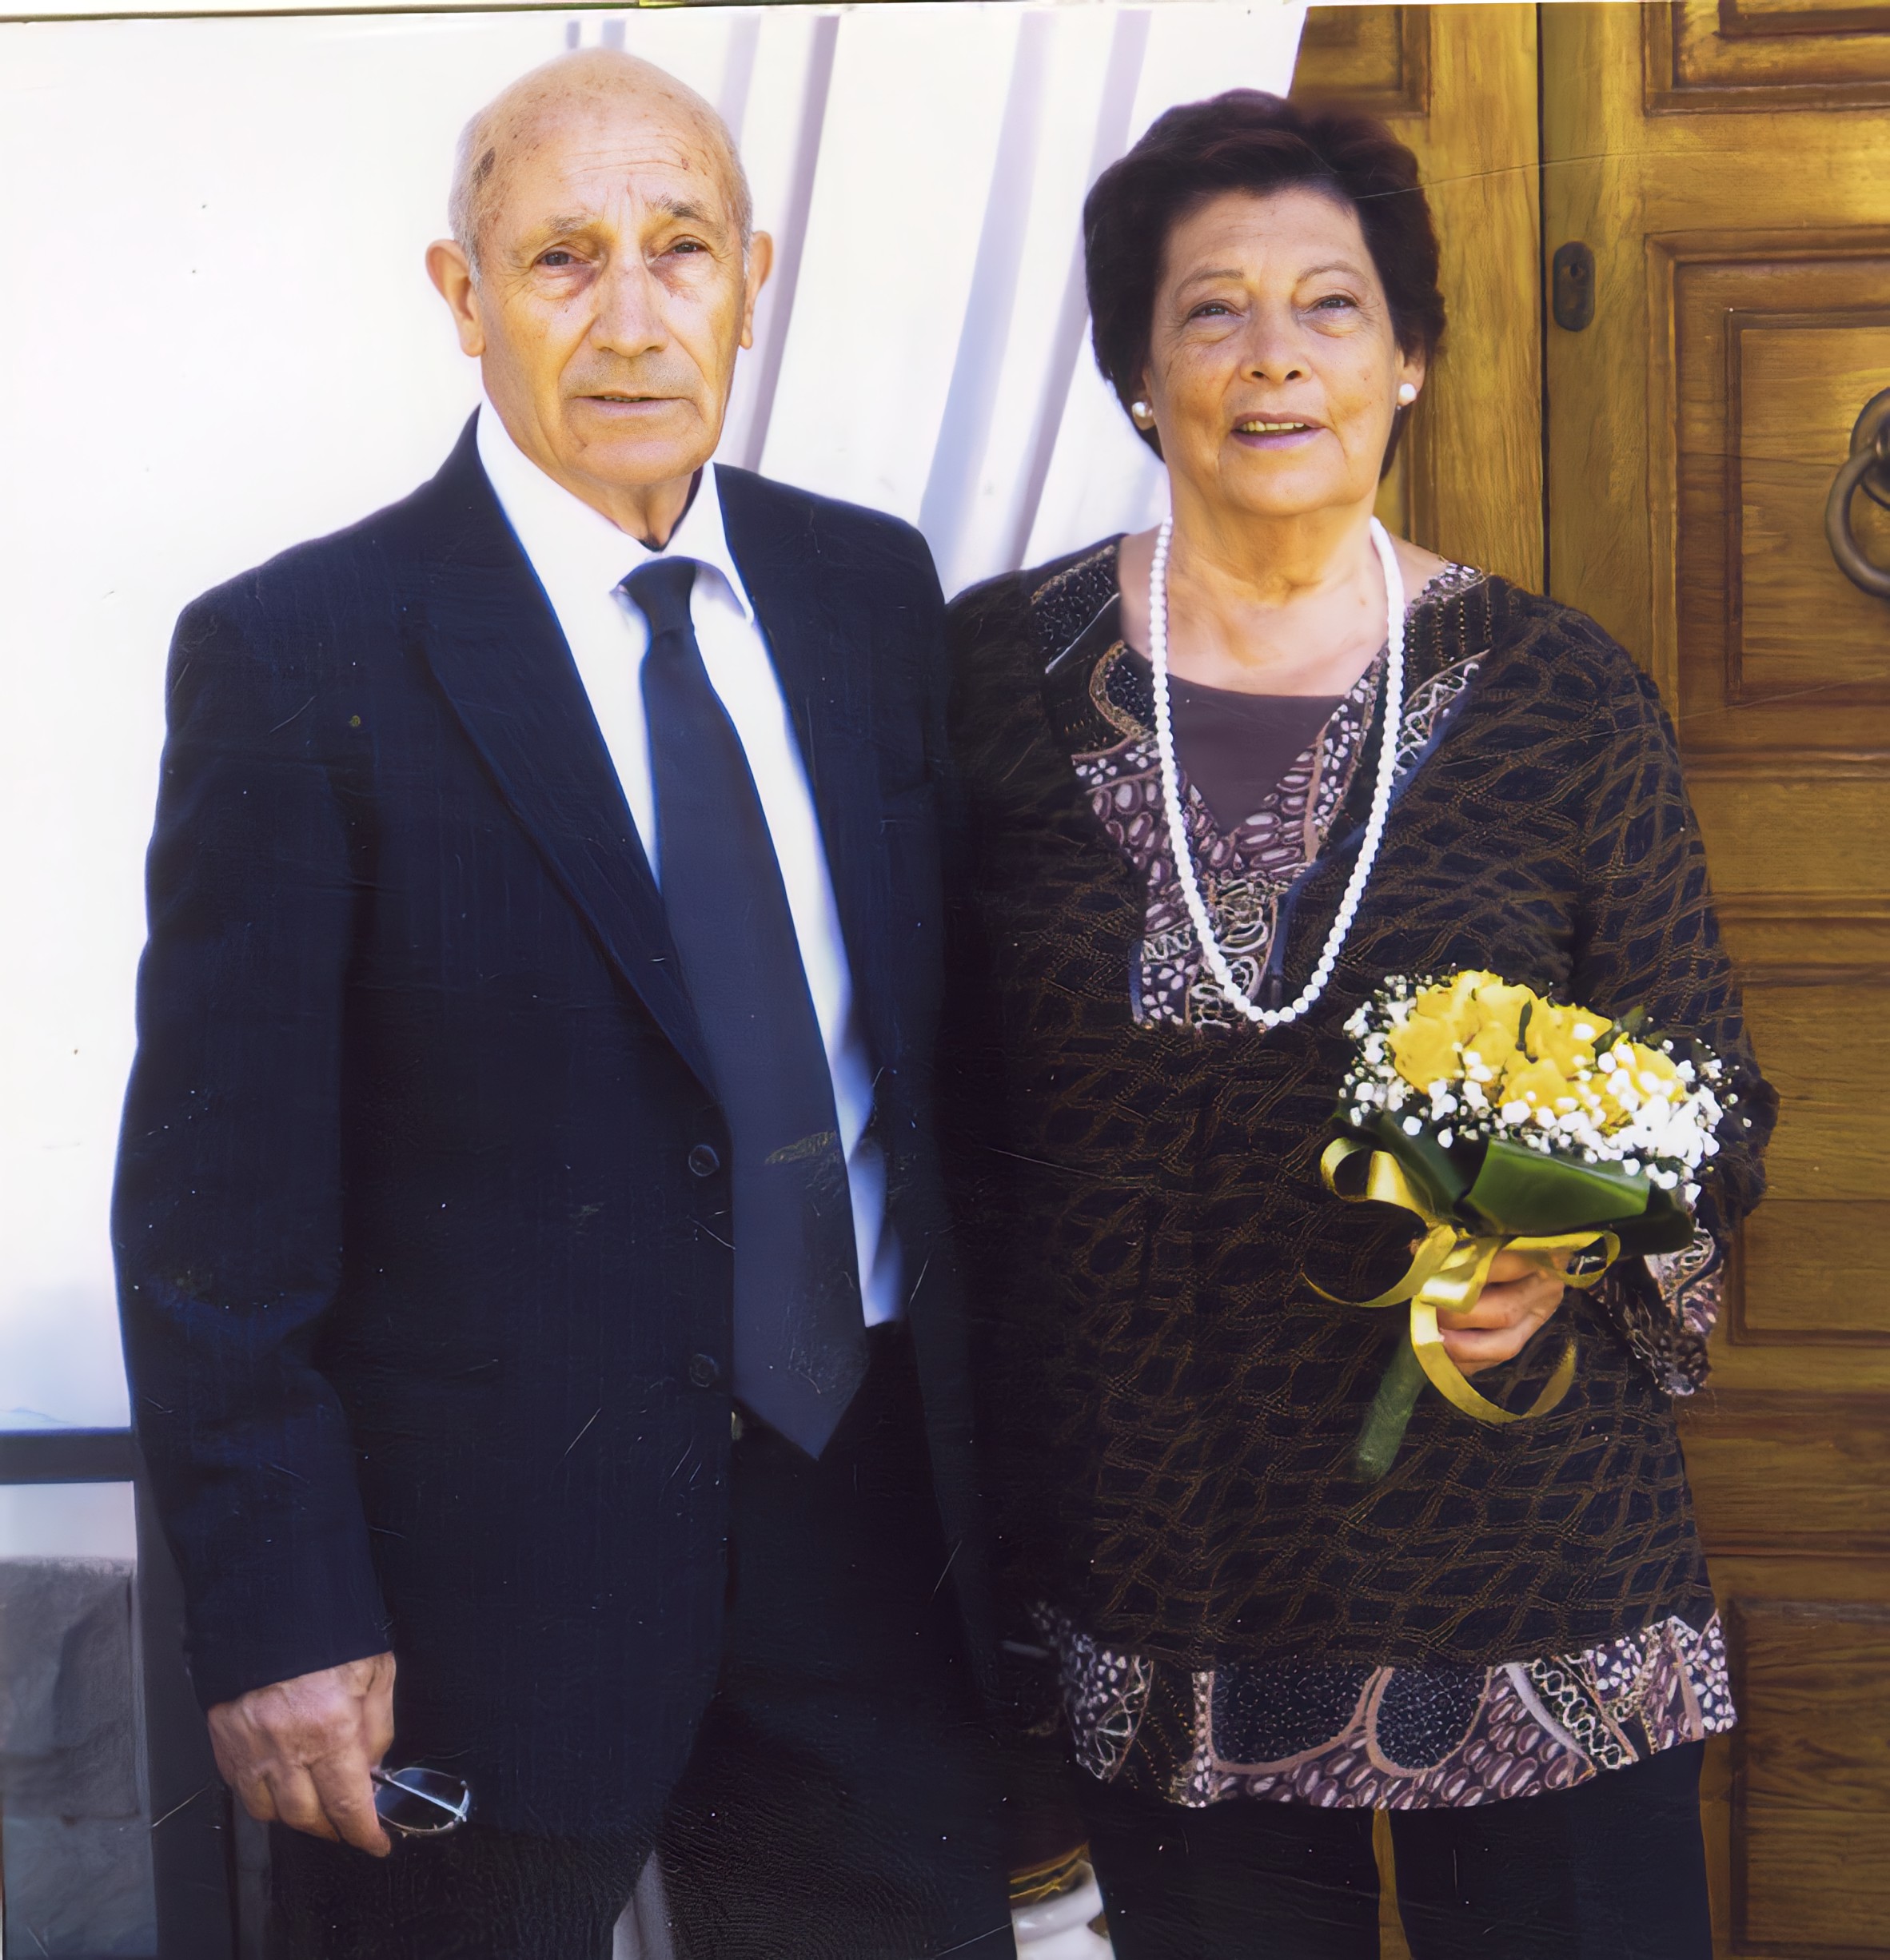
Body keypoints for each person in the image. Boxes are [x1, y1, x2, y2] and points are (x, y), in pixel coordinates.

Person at [114, 50, 1012, 1960]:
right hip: (476, 1595)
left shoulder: (867, 595)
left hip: (865, 1550)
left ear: (752, 280)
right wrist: (279, 1611)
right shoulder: (296, 652)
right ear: (463, 295)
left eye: (679, 249)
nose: (629, 316)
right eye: (560, 257)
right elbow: (213, 1217)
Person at [944, 90, 1774, 1960]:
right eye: (1211, 310)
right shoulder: (988, 680)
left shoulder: (1562, 693)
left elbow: (1712, 1097)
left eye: (1330, 305)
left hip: (1532, 1573)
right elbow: (940, 1118)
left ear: (1407, 360)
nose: (1275, 357)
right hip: (1166, 1565)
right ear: (1136, 372)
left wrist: (1566, 1248)